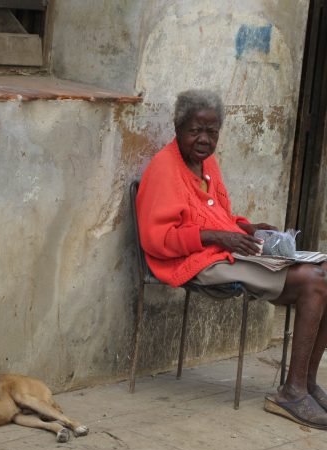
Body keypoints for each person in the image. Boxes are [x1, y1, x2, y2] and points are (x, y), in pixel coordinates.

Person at [136, 89, 327, 429]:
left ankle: (307, 383)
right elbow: (157, 241)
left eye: (212, 132)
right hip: (191, 262)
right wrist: (217, 237)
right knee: (314, 280)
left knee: (324, 272)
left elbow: (217, 216)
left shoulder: (207, 163)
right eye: (196, 130)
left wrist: (246, 227)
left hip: (220, 252)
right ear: (178, 128)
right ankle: (291, 392)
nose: (204, 139)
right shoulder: (165, 168)